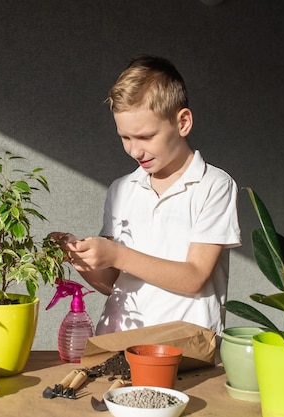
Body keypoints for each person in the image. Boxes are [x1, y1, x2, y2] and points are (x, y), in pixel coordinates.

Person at [51, 55, 241, 336]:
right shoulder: (122, 190)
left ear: (183, 122)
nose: (134, 151)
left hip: (184, 350)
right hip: (117, 343)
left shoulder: (213, 185)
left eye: (145, 137)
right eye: (125, 138)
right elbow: (112, 284)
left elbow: (194, 277)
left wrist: (116, 254)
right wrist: (78, 256)